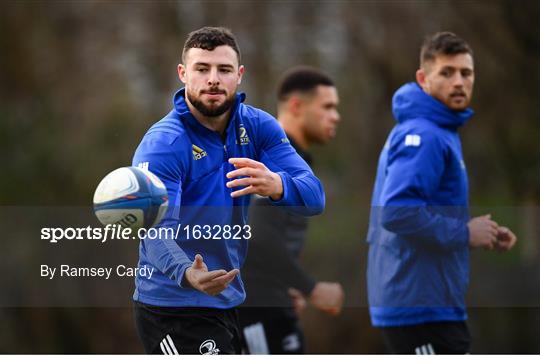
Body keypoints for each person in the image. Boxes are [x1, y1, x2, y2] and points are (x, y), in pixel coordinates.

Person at [131, 27, 325, 355]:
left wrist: (279, 185)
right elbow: (154, 231)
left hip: (228, 300)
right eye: (202, 69)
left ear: (239, 75)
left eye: (223, 69)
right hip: (171, 306)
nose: (213, 80)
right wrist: (185, 271)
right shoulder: (164, 144)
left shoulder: (258, 126)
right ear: (183, 74)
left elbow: (314, 196)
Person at [366, 32, 517, 354]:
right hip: (419, 305)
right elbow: (396, 212)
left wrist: (478, 232)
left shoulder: (436, 129)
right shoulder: (425, 134)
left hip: (429, 300)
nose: (459, 82)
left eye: (466, 72)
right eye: (447, 73)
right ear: (423, 79)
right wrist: (463, 233)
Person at [239, 67, 344, 354]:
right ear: (296, 106)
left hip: (272, 303)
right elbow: (257, 235)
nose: (336, 116)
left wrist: (288, 286)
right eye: (327, 106)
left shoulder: (294, 159)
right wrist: (311, 288)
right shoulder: (271, 157)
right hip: (256, 311)